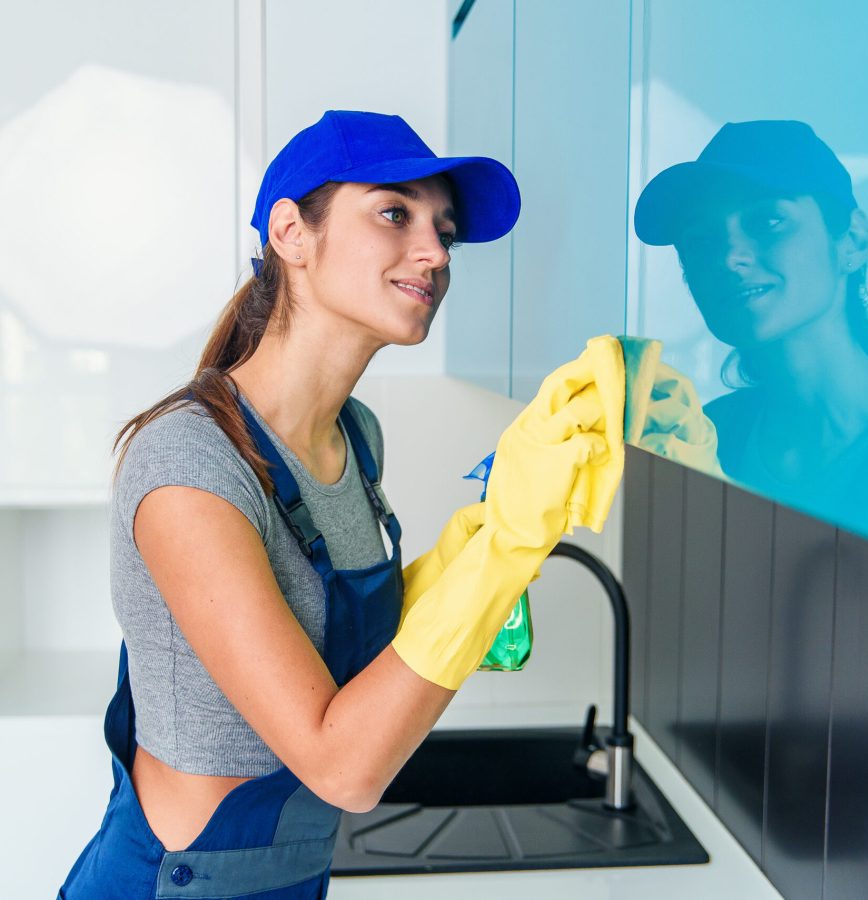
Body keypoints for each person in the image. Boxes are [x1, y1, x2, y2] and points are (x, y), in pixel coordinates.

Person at [59, 110, 624, 899]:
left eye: (445, 231)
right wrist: (505, 554)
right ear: (292, 233)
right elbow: (342, 765)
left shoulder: (357, 438)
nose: (433, 253)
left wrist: (481, 538)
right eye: (395, 213)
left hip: (296, 878)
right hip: (177, 886)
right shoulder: (191, 464)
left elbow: (355, 670)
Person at [634, 119, 868, 539]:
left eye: (768, 221)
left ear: (853, 240)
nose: (730, 256)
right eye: (701, 241)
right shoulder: (701, 445)